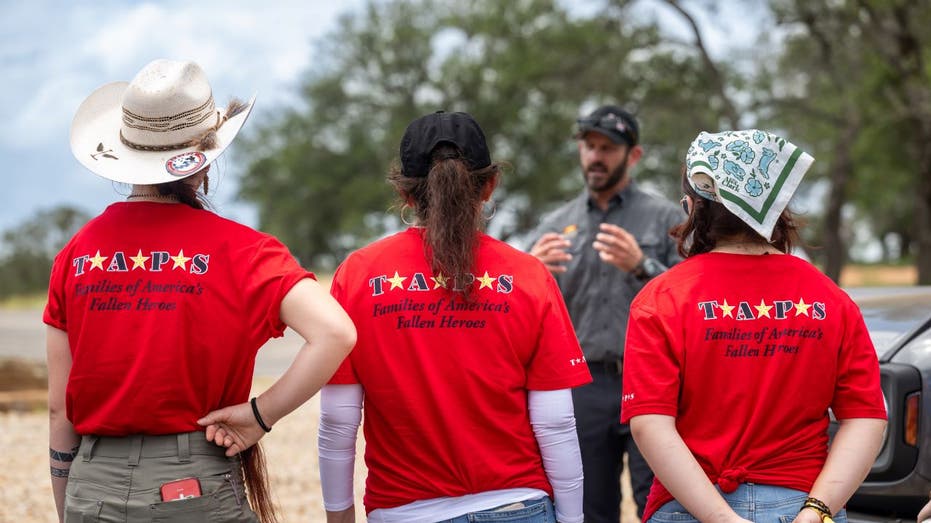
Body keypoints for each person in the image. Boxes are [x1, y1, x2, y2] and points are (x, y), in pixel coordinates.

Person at [45, 58, 356, 523]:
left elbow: (58, 411)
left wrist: (70, 504)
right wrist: (261, 415)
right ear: (203, 164)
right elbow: (335, 333)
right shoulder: (247, 251)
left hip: (92, 485)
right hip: (194, 483)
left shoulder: (75, 254)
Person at [317, 111, 593, 523]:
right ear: (489, 186)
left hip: (403, 512)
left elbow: (338, 422)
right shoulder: (528, 275)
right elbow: (555, 424)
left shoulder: (357, 275)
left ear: (406, 194)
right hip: (518, 506)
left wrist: (339, 518)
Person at [621, 129, 888, 522]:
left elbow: (650, 426)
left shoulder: (662, 298)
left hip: (690, 507)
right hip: (799, 503)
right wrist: (816, 512)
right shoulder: (832, 299)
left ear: (694, 207)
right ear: (778, 207)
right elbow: (866, 419)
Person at [526, 104, 682, 521]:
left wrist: (641, 266)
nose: (595, 156)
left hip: (651, 380)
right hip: (583, 385)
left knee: (659, 502)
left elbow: (693, 300)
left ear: (633, 155)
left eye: (607, 148)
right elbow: (526, 315)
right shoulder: (556, 225)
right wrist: (530, 273)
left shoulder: (667, 218)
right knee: (589, 507)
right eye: (589, 146)